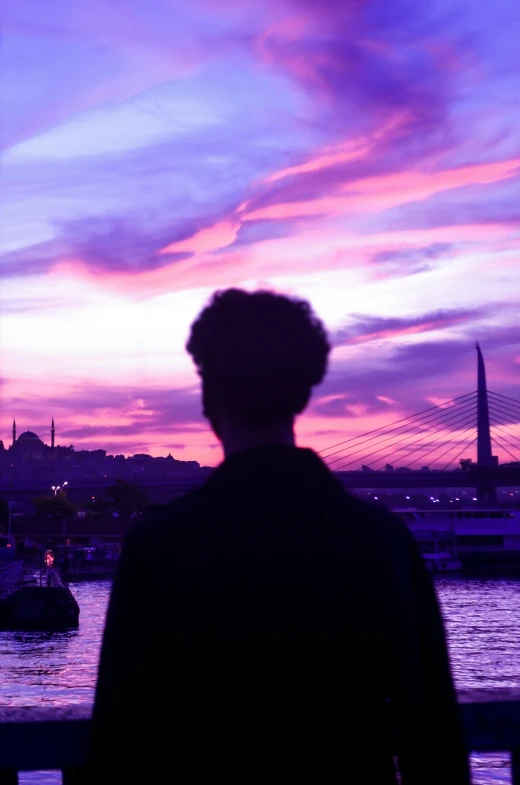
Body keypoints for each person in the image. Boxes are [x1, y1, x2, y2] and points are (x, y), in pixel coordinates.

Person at [89, 289, 470, 784]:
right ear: (303, 395)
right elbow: (433, 731)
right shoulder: (382, 541)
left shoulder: (157, 547)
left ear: (209, 400)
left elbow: (117, 739)